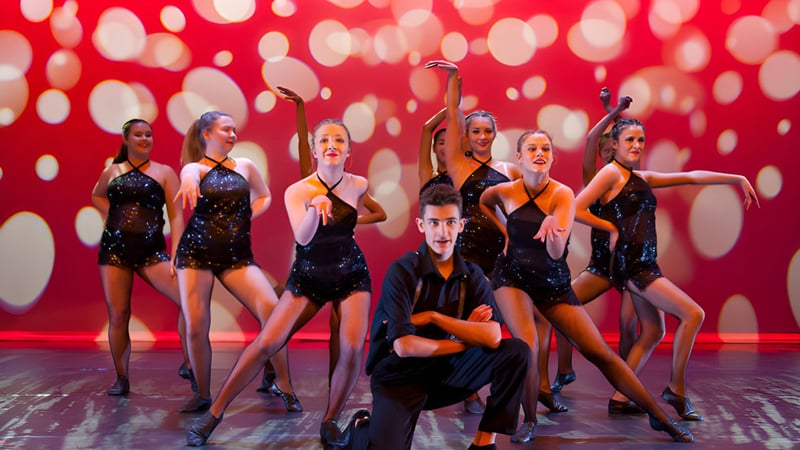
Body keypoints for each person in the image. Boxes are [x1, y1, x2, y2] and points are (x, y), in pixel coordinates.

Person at [479, 129, 694, 444]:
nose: (539, 154)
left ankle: (659, 416)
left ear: (552, 157)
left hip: (552, 281)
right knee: (528, 345)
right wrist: (505, 233)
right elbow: (486, 202)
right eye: (532, 148)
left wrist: (553, 231)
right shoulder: (504, 192)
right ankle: (529, 420)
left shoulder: (562, 194)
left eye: (545, 149)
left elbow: (555, 254)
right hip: (511, 278)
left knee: (601, 353)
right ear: (519, 157)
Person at [186, 118, 374, 447]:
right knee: (267, 343)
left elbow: (357, 220)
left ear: (348, 152)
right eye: (325, 140)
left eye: (340, 140)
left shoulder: (358, 184)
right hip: (308, 276)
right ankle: (213, 415)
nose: (332, 144)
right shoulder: (297, 190)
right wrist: (315, 208)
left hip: (351, 274)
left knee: (353, 346)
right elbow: (303, 237)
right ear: (314, 151)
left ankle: (330, 420)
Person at [575, 117, 759, 422]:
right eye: (629, 140)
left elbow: (692, 177)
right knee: (693, 314)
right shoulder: (609, 173)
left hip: (646, 262)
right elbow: (576, 208)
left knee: (653, 331)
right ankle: (676, 389)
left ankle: (621, 396)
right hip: (633, 266)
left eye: (640, 141)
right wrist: (610, 227)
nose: (636, 146)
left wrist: (736, 177)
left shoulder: (642, 178)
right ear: (615, 145)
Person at [353, 184, 529, 450]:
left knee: (516, 351)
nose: (442, 232)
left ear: (461, 225)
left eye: (450, 222)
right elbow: (404, 346)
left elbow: (493, 336)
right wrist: (466, 337)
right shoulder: (402, 271)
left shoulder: (473, 276)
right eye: (434, 223)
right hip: (399, 378)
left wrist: (434, 317)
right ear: (421, 225)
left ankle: (483, 443)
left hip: (447, 371)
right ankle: (360, 429)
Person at [173, 111, 299, 414]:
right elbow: (188, 175)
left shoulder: (245, 165)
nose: (233, 135)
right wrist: (190, 182)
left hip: (236, 255)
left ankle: (283, 382)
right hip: (195, 254)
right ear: (207, 134)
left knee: (272, 312)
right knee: (195, 325)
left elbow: (264, 195)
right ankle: (203, 393)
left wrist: (246, 216)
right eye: (226, 130)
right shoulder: (195, 168)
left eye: (234, 130)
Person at [545, 90, 641, 397]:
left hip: (632, 264)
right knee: (561, 308)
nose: (610, 155)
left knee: (628, 326)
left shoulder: (630, 174)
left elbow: (627, 134)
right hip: (602, 265)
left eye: (614, 149)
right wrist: (612, 111)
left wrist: (614, 111)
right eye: (605, 151)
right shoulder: (595, 178)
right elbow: (590, 139)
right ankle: (565, 369)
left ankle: (623, 386)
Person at [91, 118, 189, 396]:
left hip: (151, 252)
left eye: (148, 134)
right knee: (119, 314)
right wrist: (111, 216)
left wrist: (176, 254)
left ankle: (190, 363)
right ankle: (121, 377)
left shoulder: (165, 172)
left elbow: (176, 216)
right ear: (126, 139)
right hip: (114, 251)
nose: (144, 139)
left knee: (188, 303)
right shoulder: (112, 171)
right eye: (138, 135)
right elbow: (96, 195)